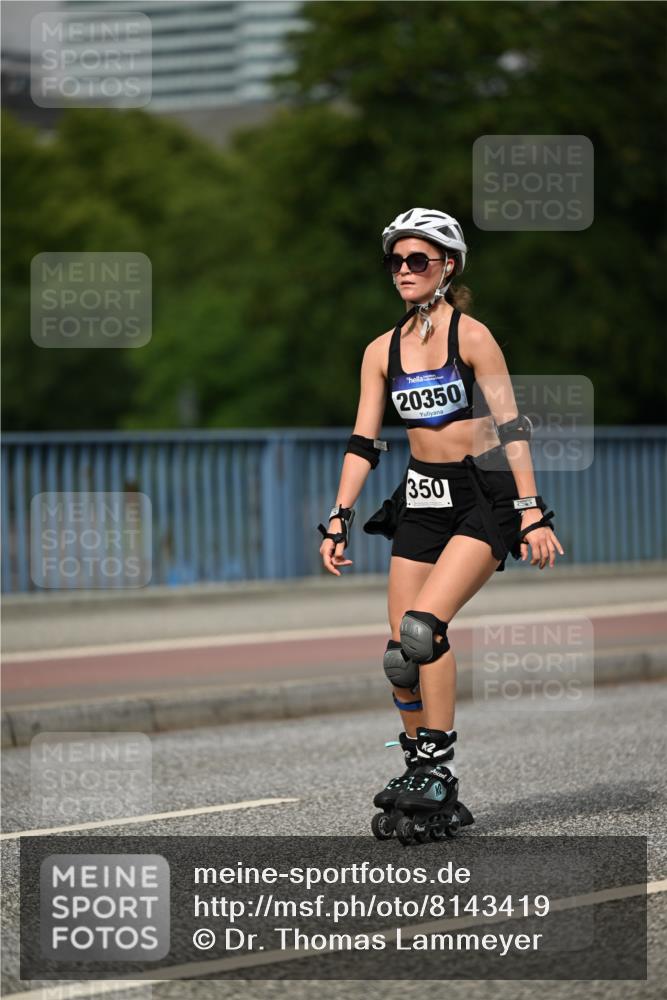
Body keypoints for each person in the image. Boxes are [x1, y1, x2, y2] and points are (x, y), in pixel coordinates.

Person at [317, 208, 564, 845]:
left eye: (417, 260)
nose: (403, 271)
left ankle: (439, 770)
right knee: (401, 654)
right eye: (395, 261)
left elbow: (511, 428)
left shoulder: (472, 337)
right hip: (422, 496)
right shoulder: (381, 350)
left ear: (446, 266)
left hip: (482, 495)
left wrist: (532, 511)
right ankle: (416, 771)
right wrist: (338, 519)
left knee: (427, 630)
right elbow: (363, 441)